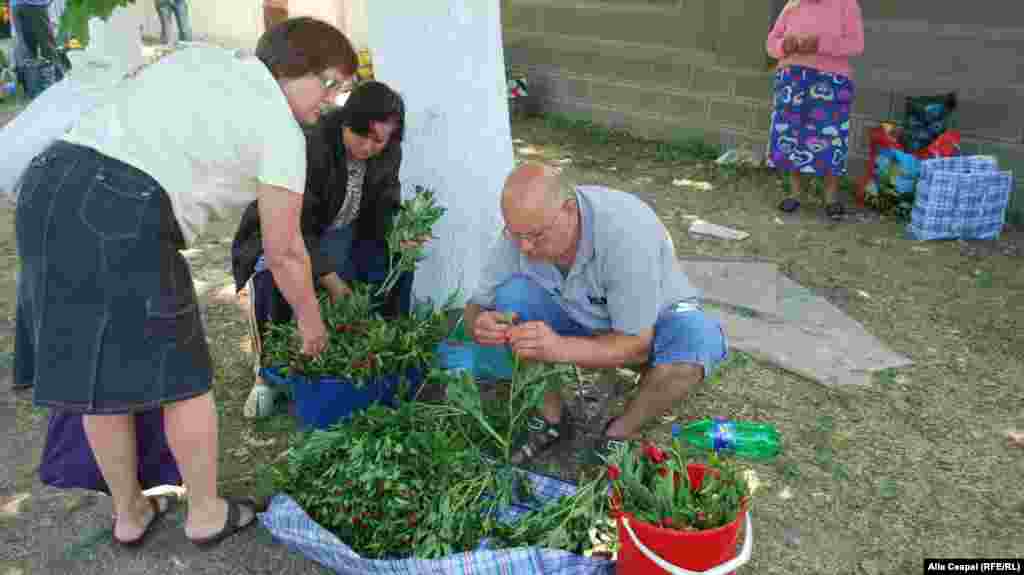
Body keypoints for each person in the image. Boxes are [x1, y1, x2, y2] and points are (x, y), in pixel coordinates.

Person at [13, 17, 357, 548]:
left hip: (46, 185)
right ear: (296, 69)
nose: (331, 102)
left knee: (94, 370)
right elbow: (285, 249)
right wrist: (311, 320)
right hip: (122, 205)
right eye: (330, 84)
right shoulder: (281, 129)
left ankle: (130, 513)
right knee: (184, 377)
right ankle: (204, 513)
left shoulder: (204, 57)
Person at [463, 164, 728, 463]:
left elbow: (638, 344)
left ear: (569, 210)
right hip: (583, 317)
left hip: (652, 323)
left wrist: (557, 348)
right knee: (509, 297)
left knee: (695, 343)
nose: (524, 247)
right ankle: (552, 420)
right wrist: (480, 324)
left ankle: (619, 431)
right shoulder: (521, 233)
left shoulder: (625, 232)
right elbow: (476, 306)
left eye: (536, 236)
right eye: (515, 234)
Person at [231, 80, 417, 418]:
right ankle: (265, 377)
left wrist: (400, 235)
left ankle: (383, 353)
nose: (372, 147)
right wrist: (332, 280)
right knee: (271, 279)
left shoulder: (387, 151)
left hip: (342, 231)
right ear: (348, 122)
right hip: (285, 233)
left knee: (395, 265)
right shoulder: (312, 144)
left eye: (382, 140)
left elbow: (385, 205)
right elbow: (297, 228)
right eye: (365, 137)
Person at [765, 0, 864, 221]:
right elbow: (771, 43)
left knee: (830, 136)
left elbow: (856, 45)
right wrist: (783, 47)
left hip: (831, 81)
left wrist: (820, 44)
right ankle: (795, 194)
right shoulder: (793, 4)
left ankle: (830, 198)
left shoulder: (846, 4)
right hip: (792, 78)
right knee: (793, 134)